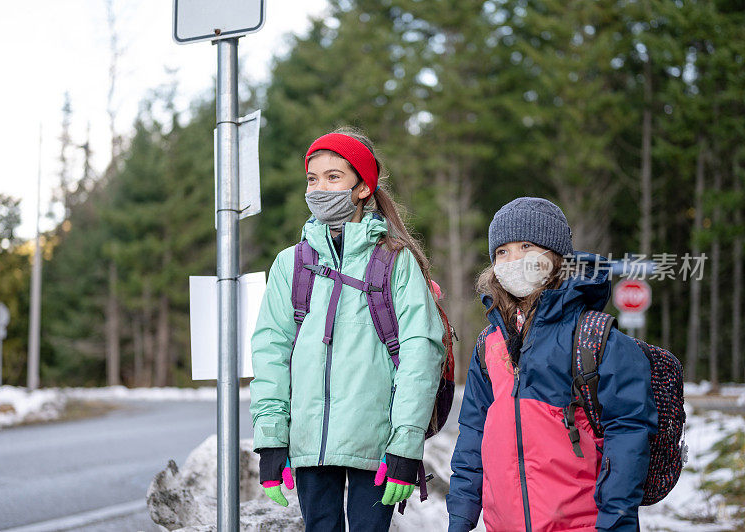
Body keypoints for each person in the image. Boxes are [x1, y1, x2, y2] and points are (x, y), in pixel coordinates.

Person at [249, 128, 446, 531]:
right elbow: (271, 352)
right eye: (312, 178)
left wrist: (405, 445)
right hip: (309, 448)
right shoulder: (291, 264)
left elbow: (420, 353)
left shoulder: (396, 261)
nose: (320, 188)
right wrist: (271, 439)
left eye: (333, 177)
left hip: (377, 447)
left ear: (362, 188)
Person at [447, 197, 658, 532]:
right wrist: (460, 514)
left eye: (526, 246)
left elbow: (629, 437)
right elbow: (473, 435)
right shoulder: (490, 344)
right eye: (502, 252)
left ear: (556, 257)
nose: (513, 260)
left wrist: (616, 522)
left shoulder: (596, 338)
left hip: (581, 524)